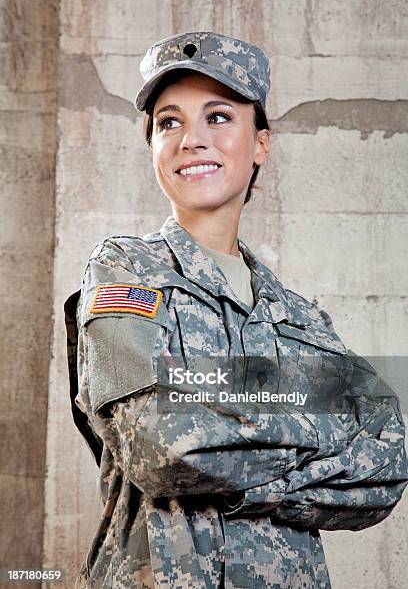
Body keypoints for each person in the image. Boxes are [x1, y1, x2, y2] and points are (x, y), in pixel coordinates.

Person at [64, 31, 408, 588]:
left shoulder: (300, 319)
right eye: (169, 122)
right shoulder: (127, 272)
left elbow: (387, 467)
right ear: (152, 144)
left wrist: (219, 411)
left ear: (260, 144)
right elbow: (162, 447)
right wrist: (307, 427)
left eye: (218, 117)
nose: (191, 139)